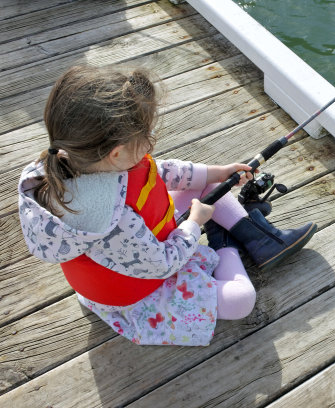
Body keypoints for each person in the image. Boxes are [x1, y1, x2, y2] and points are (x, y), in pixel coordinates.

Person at [18, 66, 317, 346]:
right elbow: (163, 264)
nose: (150, 143)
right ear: (116, 153)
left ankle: (264, 241)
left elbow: (154, 171)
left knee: (208, 185)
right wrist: (195, 223)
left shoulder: (78, 158)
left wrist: (217, 172)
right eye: (145, 137)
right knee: (242, 301)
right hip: (140, 291)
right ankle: (223, 239)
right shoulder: (112, 218)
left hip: (140, 248)